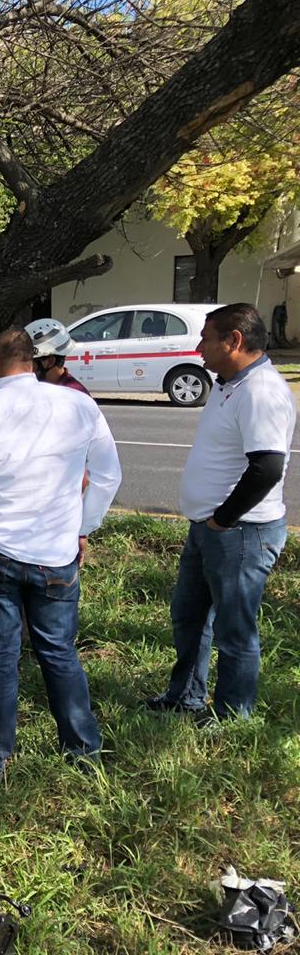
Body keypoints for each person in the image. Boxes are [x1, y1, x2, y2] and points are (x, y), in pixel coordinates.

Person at [0, 328, 122, 779]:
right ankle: (83, 751)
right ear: (32, 360)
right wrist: (83, 528)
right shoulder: (79, 407)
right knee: (59, 651)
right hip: (56, 552)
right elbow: (108, 476)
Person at [144, 303, 295, 720]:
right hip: (209, 529)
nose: (198, 347)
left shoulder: (260, 392)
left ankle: (232, 716)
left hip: (240, 533)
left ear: (234, 341)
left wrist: (221, 520)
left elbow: (266, 467)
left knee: (234, 630)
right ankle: (185, 696)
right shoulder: (229, 384)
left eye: (206, 338)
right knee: (189, 617)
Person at [25, 318, 90, 395]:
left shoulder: (73, 396)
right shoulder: (34, 389)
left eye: (26, 361)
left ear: (49, 362)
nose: (21, 368)